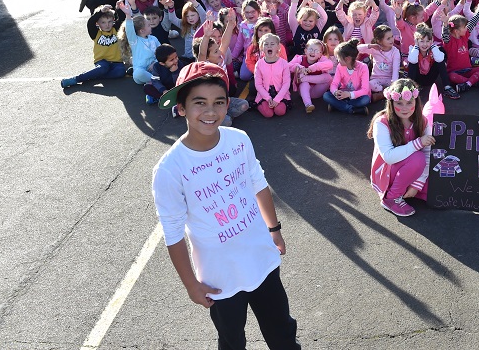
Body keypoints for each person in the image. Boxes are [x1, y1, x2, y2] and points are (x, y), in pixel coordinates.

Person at [152, 62, 299, 349]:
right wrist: (191, 284)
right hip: (220, 277)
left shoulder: (238, 139)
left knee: (282, 331)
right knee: (232, 341)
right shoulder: (170, 168)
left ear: (228, 104)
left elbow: (258, 183)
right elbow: (172, 233)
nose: (210, 112)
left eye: (218, 102)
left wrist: (274, 229)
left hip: (261, 259)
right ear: (181, 108)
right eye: (199, 103)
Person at [368, 78, 434, 217]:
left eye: (409, 102)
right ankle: (391, 198)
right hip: (388, 170)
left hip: (411, 168)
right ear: (391, 103)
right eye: (399, 103)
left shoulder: (423, 121)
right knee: (418, 158)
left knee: (435, 191)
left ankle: (407, 187)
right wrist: (418, 143)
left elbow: (429, 153)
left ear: (416, 102)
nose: (405, 108)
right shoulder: (382, 122)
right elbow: (389, 157)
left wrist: (418, 183)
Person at [61, 3, 126, 89]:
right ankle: (76, 79)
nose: (107, 25)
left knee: (121, 72)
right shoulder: (95, 33)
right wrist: (100, 12)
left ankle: (94, 76)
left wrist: (118, 9)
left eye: (110, 21)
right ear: (98, 23)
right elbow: (90, 23)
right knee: (103, 68)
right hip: (102, 61)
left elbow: (121, 19)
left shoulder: (116, 29)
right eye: (103, 22)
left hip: (116, 62)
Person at [323, 39, 371, 115]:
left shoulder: (363, 67)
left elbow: (365, 90)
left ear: (347, 59)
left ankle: (338, 106)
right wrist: (335, 92)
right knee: (326, 95)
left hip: (357, 96)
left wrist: (349, 94)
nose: (337, 60)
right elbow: (334, 84)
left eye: (338, 58)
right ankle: (352, 110)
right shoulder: (340, 66)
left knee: (365, 99)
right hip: (343, 95)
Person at [254, 33, 291, 118]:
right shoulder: (259, 64)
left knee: (279, 111)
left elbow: (286, 83)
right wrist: (268, 98)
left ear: (278, 47)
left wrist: (277, 99)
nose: (269, 46)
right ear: (261, 48)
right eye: (266, 44)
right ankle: (260, 105)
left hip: (280, 93)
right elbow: (258, 84)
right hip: (264, 94)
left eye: (272, 44)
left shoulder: (284, 63)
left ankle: (278, 104)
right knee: (268, 114)